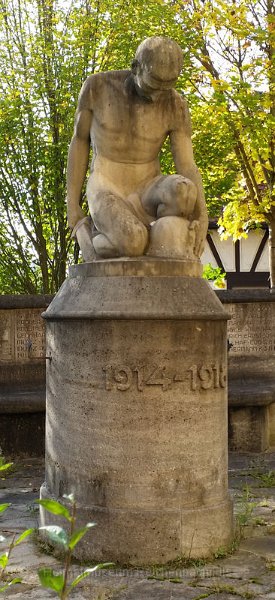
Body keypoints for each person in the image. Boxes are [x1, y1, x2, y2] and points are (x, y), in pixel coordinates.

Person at [67, 36, 208, 260]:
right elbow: (79, 141)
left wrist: (202, 214)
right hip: (107, 184)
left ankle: (152, 241)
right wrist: (72, 203)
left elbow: (187, 165)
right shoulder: (97, 87)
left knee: (185, 192)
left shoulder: (175, 104)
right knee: (133, 242)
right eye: (152, 84)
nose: (157, 95)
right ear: (136, 68)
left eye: (166, 87)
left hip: (148, 184)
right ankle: (91, 237)